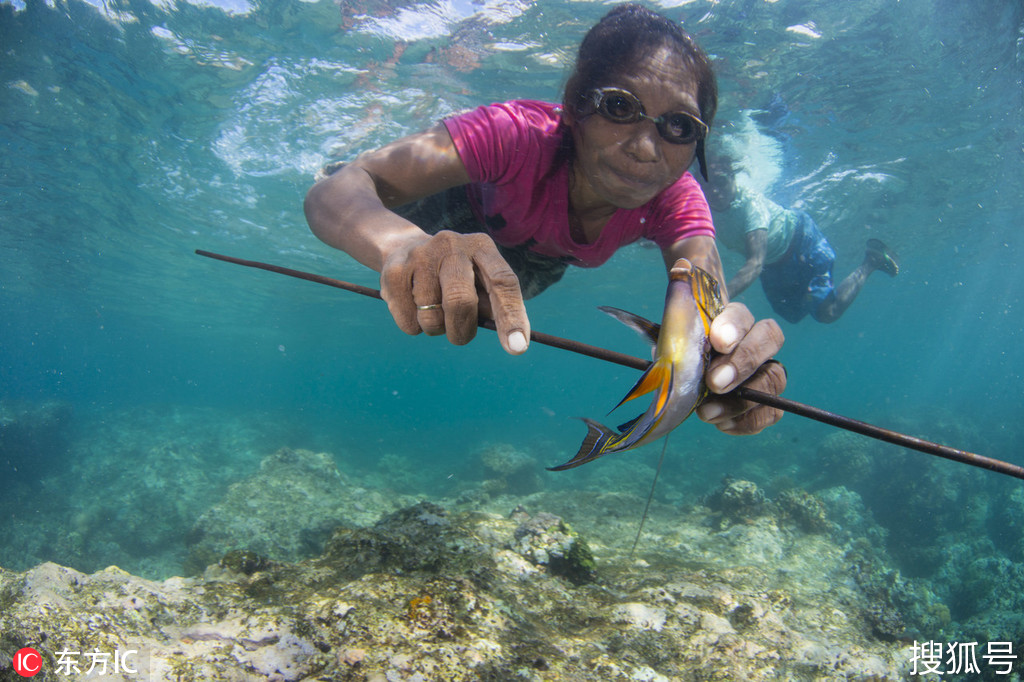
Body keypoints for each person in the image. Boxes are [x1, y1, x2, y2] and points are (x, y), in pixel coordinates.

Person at [304, 4, 786, 435]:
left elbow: (706, 307)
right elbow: (333, 193)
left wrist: (731, 362)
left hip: (535, 263)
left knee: (475, 300)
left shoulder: (678, 200)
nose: (645, 147)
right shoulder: (515, 134)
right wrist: (401, 245)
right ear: (575, 105)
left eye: (679, 126)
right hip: (448, 209)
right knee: (341, 173)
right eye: (619, 106)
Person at [702, 151, 899, 323]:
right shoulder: (703, 207)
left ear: (733, 178)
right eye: (707, 184)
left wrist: (717, 299)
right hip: (774, 265)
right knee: (792, 315)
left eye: (720, 181)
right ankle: (816, 294)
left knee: (826, 313)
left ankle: (870, 262)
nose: (714, 191)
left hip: (802, 242)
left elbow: (755, 262)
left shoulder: (751, 207)